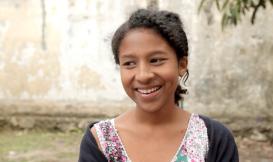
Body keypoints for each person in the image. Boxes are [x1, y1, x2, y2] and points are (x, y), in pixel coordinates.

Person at [78, 9, 239, 162]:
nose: (143, 75)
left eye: (156, 60)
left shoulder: (213, 139)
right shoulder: (101, 141)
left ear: (182, 64)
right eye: (129, 63)